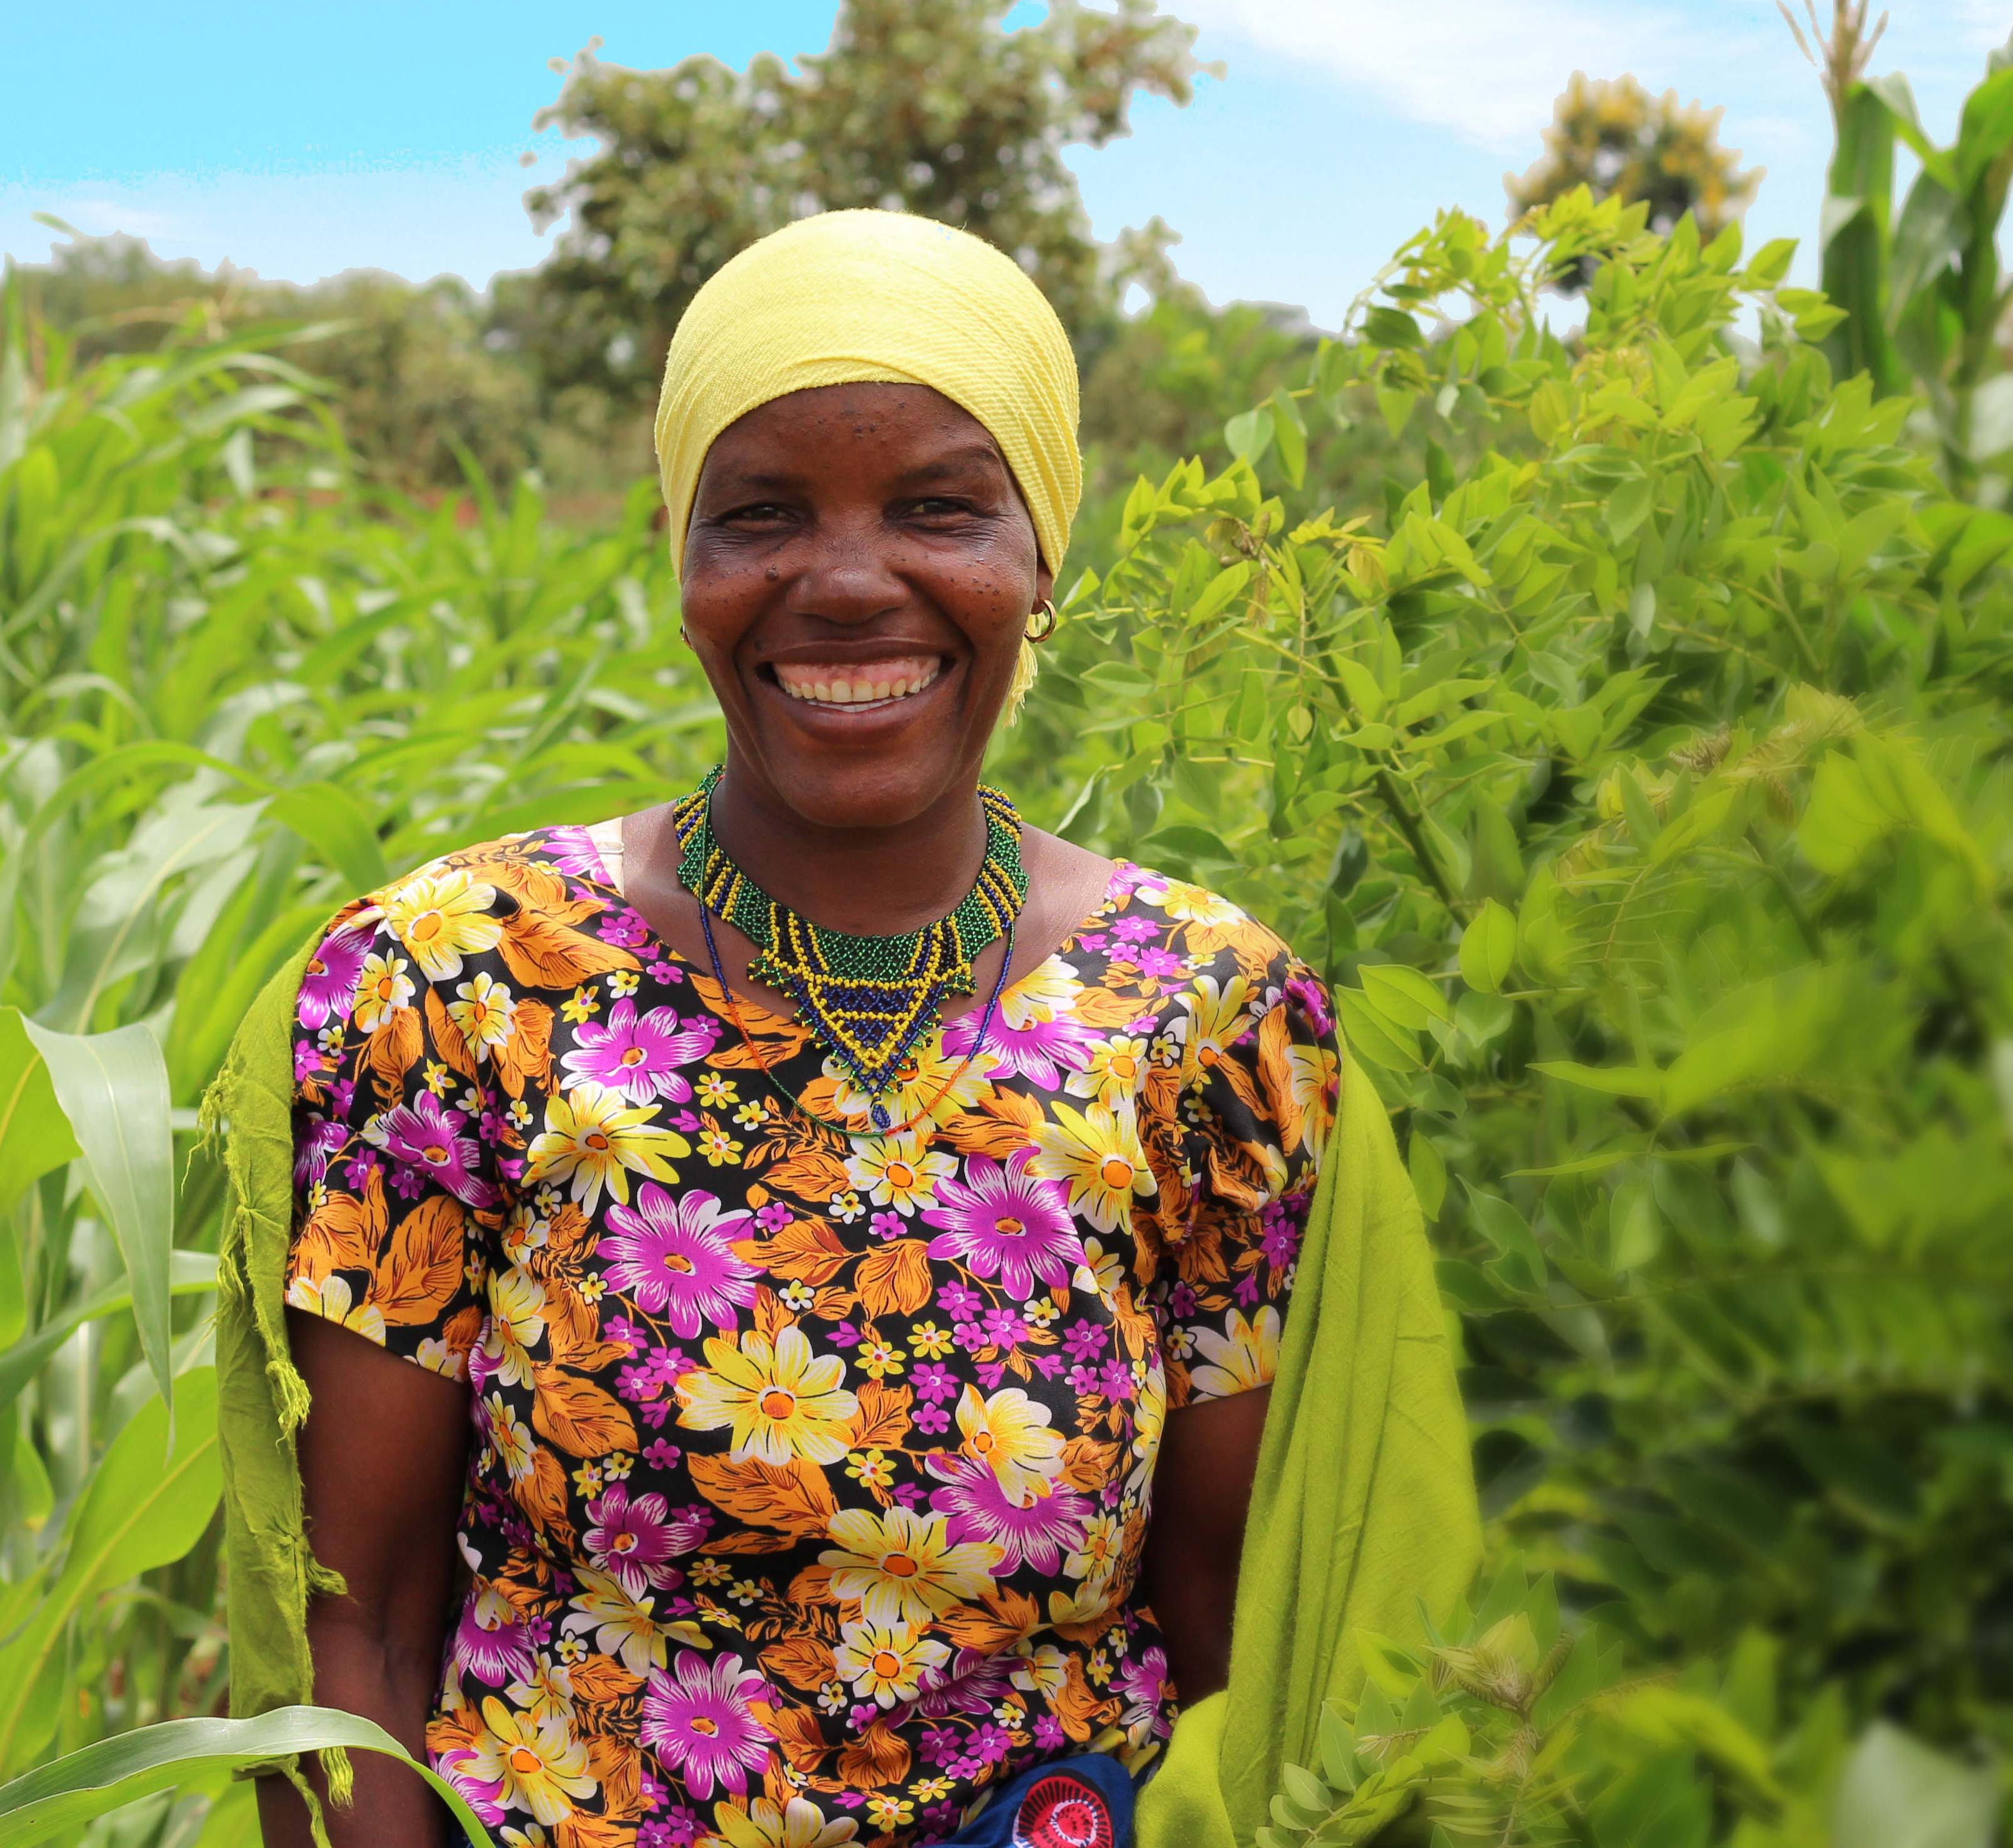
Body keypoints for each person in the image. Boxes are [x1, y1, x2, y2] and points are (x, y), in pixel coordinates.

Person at [238, 211, 1356, 1848]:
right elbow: (361, 1627)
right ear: (685, 566)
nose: (842, 581)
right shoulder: (451, 983)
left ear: (1040, 558)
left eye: (939, 506)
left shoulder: (1212, 1022)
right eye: (759, 512)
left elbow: (1233, 1638)